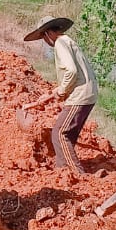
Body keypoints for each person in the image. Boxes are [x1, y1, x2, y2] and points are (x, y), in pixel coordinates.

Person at [19, 16, 99, 174]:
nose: (45, 41)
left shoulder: (60, 43)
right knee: (68, 135)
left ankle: (76, 174)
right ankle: (62, 170)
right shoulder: (68, 41)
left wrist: (62, 91)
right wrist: (54, 93)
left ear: (48, 33)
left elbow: (71, 71)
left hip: (80, 95)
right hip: (88, 93)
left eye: (43, 36)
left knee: (60, 133)